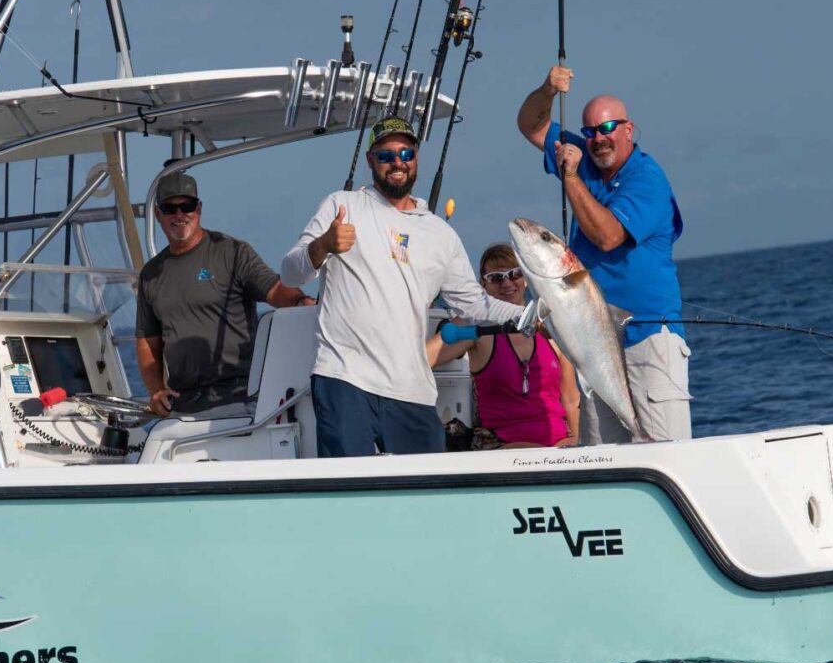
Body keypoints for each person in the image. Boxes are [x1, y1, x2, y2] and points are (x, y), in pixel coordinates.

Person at [281, 116, 527, 457]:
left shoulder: (441, 233)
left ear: (416, 158)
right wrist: (322, 245)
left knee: (427, 486)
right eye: (386, 155)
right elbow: (290, 274)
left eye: (406, 153)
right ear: (371, 160)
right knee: (350, 484)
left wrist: (530, 316)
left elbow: (473, 304)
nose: (397, 162)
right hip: (345, 379)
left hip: (413, 390)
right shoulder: (342, 205)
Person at [515, 66, 690, 443]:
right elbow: (531, 124)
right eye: (591, 131)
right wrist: (547, 89)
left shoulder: (647, 179)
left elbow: (608, 236)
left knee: (663, 450)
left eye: (608, 128)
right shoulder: (585, 160)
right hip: (593, 340)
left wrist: (571, 177)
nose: (598, 139)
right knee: (602, 455)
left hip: (647, 338)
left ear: (628, 129)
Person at [135, 172, 310, 417]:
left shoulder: (232, 252)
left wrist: (301, 302)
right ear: (157, 214)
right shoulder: (150, 274)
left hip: (240, 397)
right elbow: (147, 341)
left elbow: (275, 288)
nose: (179, 215)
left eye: (187, 206)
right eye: (170, 208)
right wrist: (156, 391)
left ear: (199, 209)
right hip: (183, 405)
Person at [429, 243, 580, 448]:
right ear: (483, 285)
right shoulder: (475, 326)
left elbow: (570, 398)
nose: (507, 283)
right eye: (496, 278)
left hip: (559, 445)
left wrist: (575, 443)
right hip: (501, 445)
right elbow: (424, 358)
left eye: (514, 274)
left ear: (526, 278)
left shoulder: (550, 328)